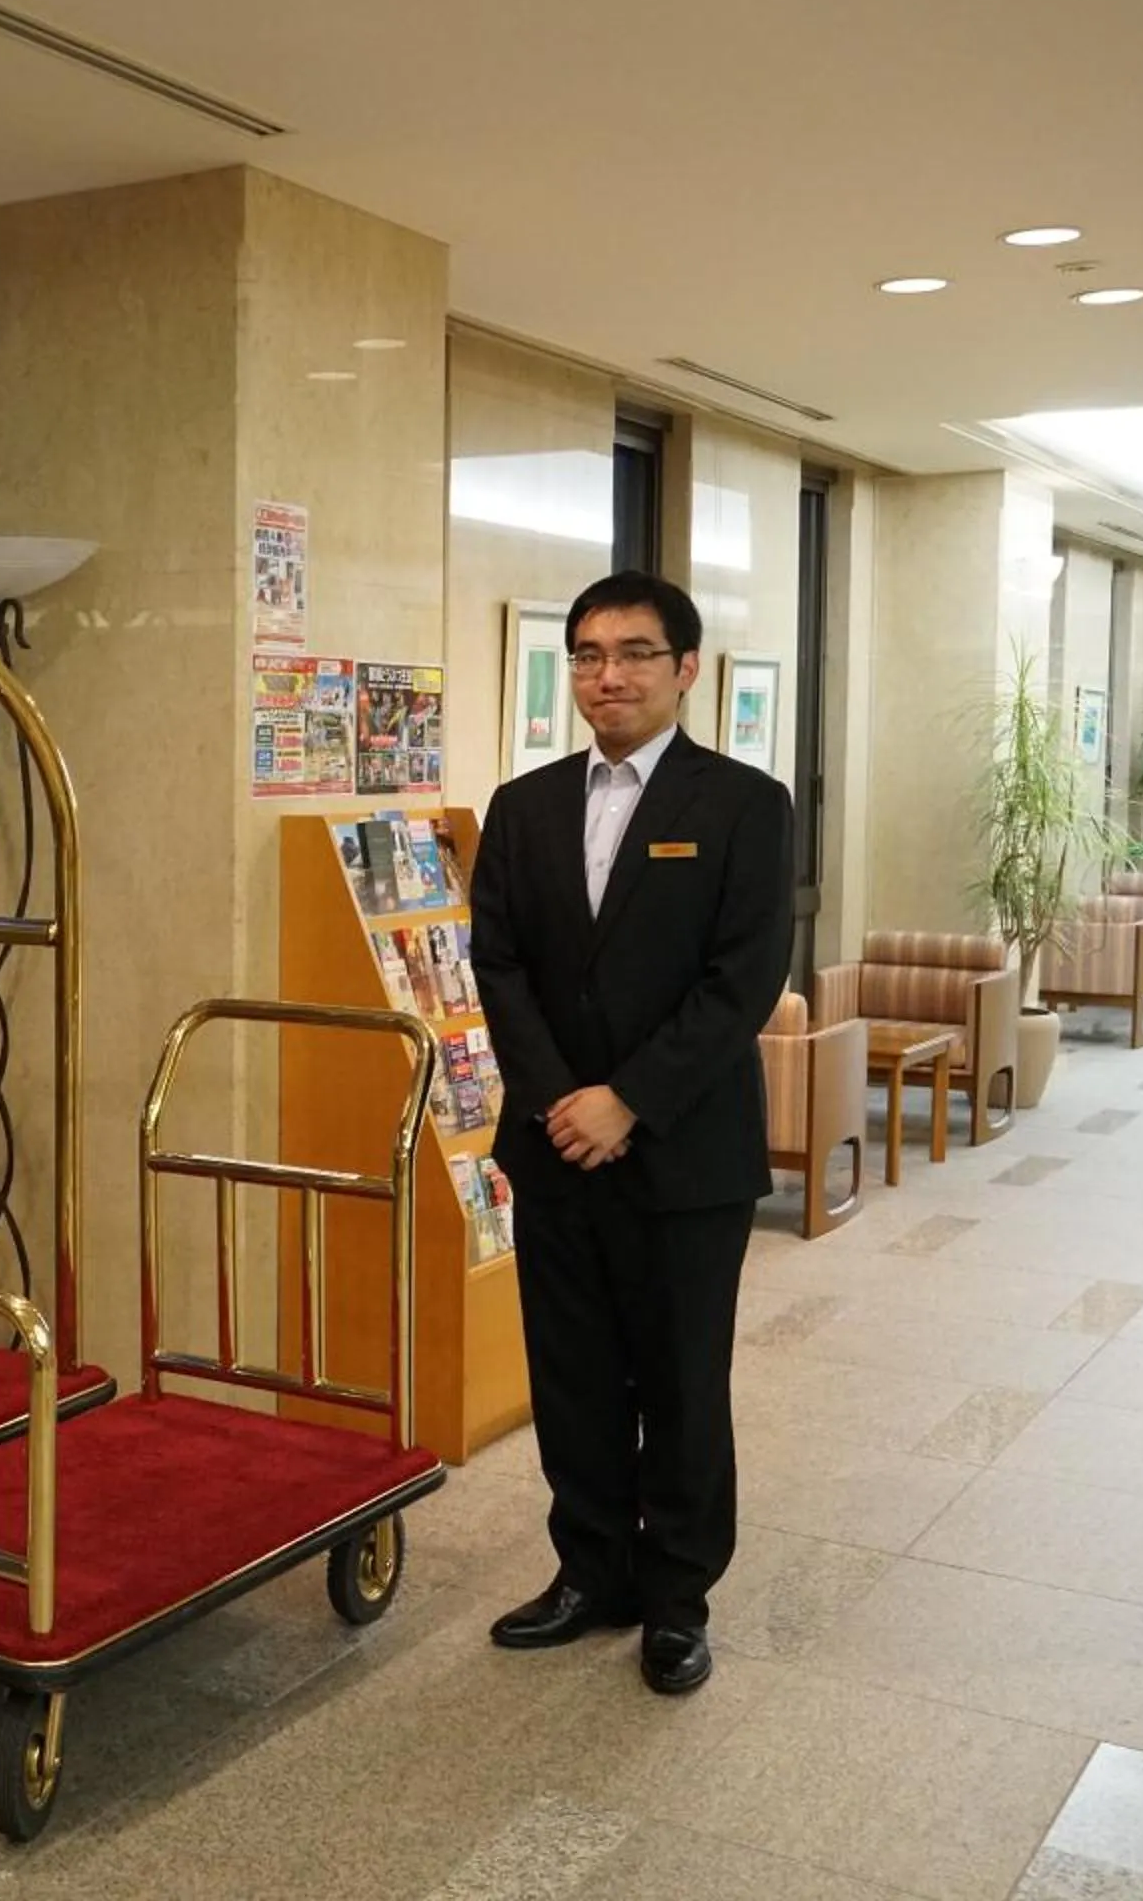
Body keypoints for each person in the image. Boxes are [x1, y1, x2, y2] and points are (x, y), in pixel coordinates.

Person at [468, 571, 792, 1695]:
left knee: (681, 1379)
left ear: (686, 669)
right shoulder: (524, 805)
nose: (610, 674)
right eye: (591, 654)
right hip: (558, 1148)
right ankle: (589, 1570)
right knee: (575, 1373)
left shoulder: (745, 805)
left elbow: (740, 980)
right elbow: (499, 965)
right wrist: (565, 1098)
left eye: (637, 652)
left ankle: (676, 1597)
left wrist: (629, 1100)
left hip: (684, 1153)